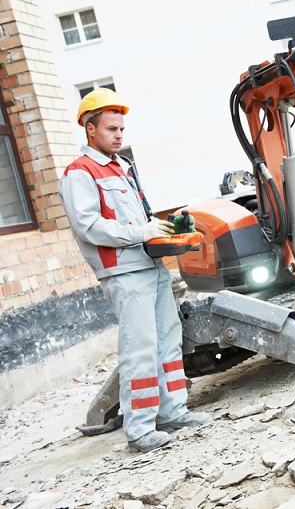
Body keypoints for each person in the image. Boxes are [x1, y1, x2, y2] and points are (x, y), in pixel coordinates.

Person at [59, 88, 211, 452]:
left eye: (122, 129)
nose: (119, 135)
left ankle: (173, 412)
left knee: (167, 339)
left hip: (150, 265)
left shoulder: (122, 167)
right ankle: (141, 430)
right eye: (111, 129)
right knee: (139, 348)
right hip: (124, 273)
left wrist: (161, 230)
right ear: (90, 129)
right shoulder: (79, 173)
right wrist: (140, 233)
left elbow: (137, 218)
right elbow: (88, 226)